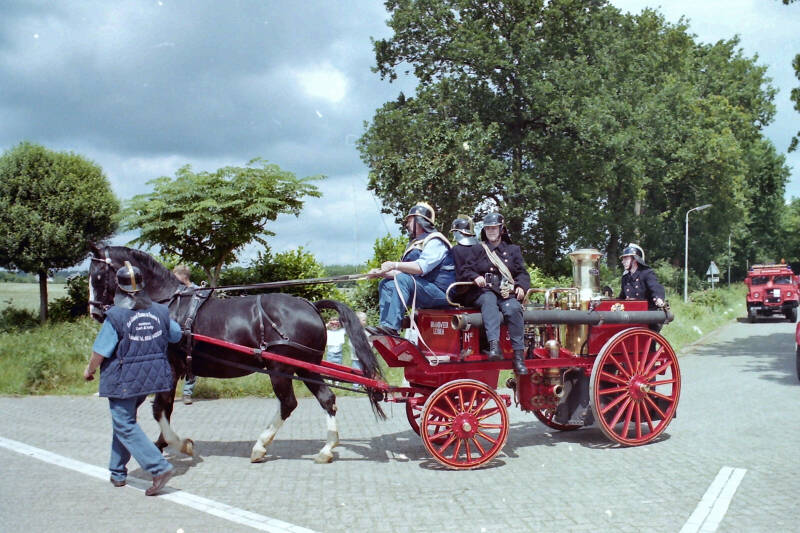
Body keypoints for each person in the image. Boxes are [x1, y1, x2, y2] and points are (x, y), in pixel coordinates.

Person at [83, 261, 182, 496]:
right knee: (124, 421)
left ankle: (158, 467)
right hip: (151, 379)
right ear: (144, 284)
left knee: (124, 424)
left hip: (123, 380)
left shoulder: (116, 316)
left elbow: (101, 350)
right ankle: (117, 472)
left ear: (118, 285)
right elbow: (176, 336)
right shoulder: (160, 311)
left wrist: (89, 370)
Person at [453, 212, 530, 374]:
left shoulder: (513, 250)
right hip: (484, 291)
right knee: (488, 301)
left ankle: (518, 357)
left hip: (505, 293)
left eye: (494, 228)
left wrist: (521, 286)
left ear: (501, 229)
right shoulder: (477, 249)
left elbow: (522, 273)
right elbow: (464, 270)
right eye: (488, 228)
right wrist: (475, 277)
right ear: (484, 230)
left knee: (514, 308)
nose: (491, 231)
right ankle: (494, 347)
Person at [367, 202, 455, 336]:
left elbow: (420, 268)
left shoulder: (436, 241)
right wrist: (380, 273)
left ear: (420, 221)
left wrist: (394, 264)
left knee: (401, 279)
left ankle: (392, 328)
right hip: (424, 290)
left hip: (442, 294)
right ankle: (385, 326)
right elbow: (403, 274)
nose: (407, 225)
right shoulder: (416, 243)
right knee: (386, 284)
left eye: (410, 221)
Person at [173, 264, 199, 405]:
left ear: (183, 276)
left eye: (175, 275)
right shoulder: (177, 291)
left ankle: (187, 393)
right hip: (178, 331)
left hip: (193, 331)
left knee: (192, 362)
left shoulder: (197, 291)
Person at [618, 243, 665, 309]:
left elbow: (656, 288)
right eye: (623, 259)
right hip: (630, 314)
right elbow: (622, 298)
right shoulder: (625, 278)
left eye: (626, 259)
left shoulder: (647, 273)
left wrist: (658, 299)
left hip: (646, 315)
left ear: (635, 259)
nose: (623, 262)